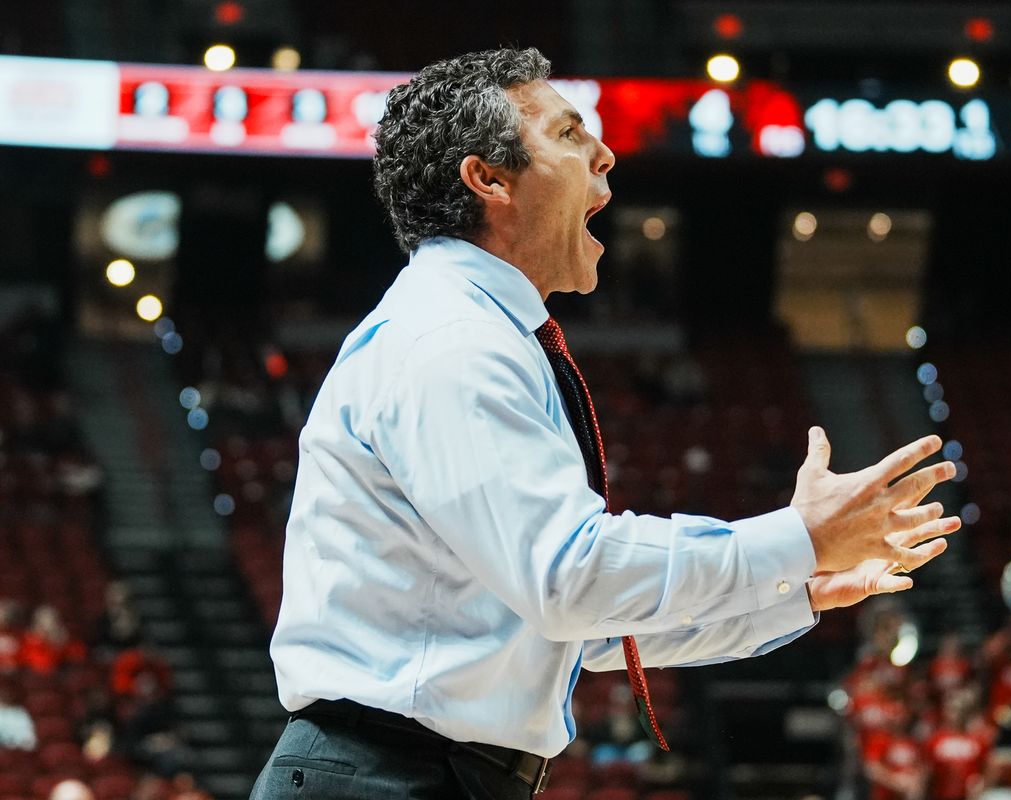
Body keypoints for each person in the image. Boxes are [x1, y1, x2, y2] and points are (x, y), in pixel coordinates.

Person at [250, 46, 960, 799]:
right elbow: (570, 578)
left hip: (411, 774)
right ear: (488, 179)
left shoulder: (470, 331)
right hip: (386, 777)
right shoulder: (451, 342)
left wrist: (799, 585)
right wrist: (796, 539)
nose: (607, 153)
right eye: (567, 134)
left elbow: (579, 630)